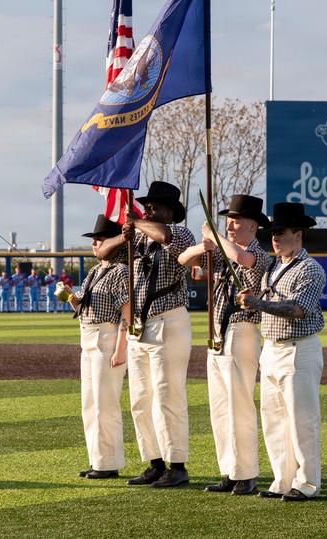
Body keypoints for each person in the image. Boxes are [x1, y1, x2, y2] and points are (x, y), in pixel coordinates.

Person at [96, 180, 194, 489]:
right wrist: (124, 233)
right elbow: (104, 254)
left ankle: (177, 465)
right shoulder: (138, 240)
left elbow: (166, 237)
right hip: (140, 325)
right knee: (140, 398)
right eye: (145, 207)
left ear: (169, 211)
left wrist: (137, 221)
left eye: (153, 208)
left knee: (168, 395)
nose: (147, 210)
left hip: (169, 321)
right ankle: (154, 462)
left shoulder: (180, 233)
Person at [178, 194, 270, 496]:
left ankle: (246, 474)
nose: (230, 225)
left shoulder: (258, 253)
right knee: (219, 407)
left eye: (236, 220)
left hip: (241, 330)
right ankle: (230, 470)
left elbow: (241, 259)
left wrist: (214, 236)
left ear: (253, 225)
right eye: (228, 220)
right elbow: (184, 261)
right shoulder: (219, 249)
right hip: (216, 334)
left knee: (239, 405)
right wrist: (202, 245)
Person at [237, 202, 325, 502]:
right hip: (272, 349)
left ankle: (307, 484)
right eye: (273, 233)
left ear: (298, 234)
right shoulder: (274, 267)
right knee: (274, 421)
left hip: (299, 349)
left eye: (281, 232)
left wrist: (257, 304)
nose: (274, 238)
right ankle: (282, 481)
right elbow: (266, 301)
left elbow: (298, 309)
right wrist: (252, 298)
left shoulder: (311, 268)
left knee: (302, 420)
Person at [59, 214, 131, 480]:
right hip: (87, 336)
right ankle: (97, 460)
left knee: (105, 403)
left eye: (100, 240)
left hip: (107, 336)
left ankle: (108, 462)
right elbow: (82, 308)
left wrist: (121, 348)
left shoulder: (121, 270)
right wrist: (68, 296)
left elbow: (127, 310)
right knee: (89, 404)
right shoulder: (94, 270)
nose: (95, 244)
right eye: (94, 240)